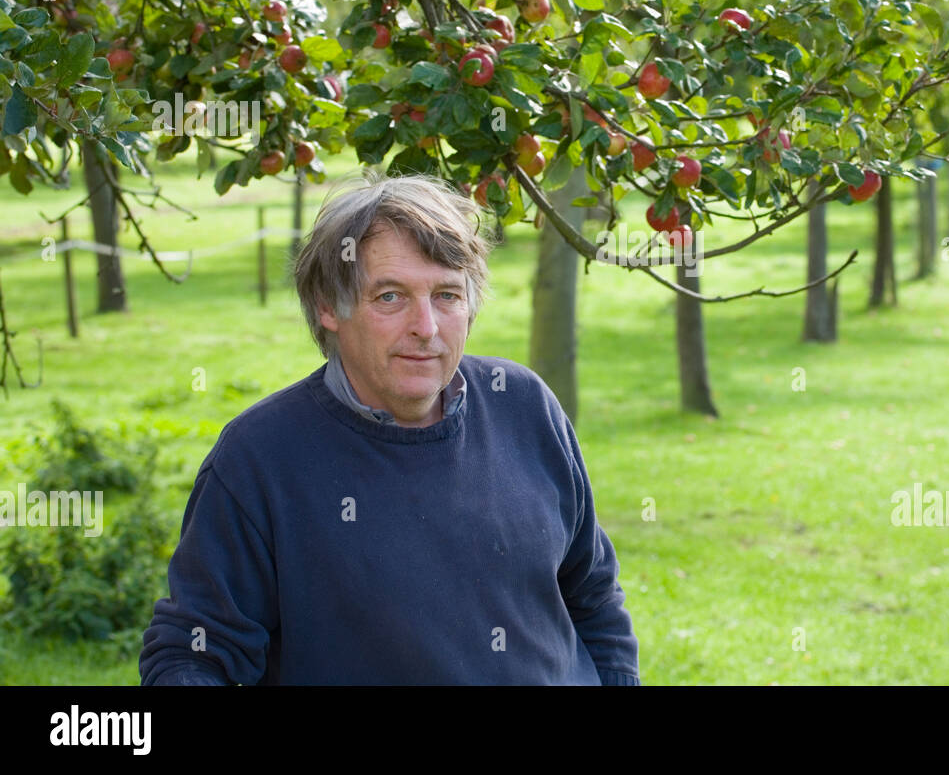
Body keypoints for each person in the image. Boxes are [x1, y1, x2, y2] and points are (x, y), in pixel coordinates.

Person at [139, 170, 640, 685]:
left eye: (446, 296)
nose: (425, 328)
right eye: (390, 297)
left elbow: (594, 597)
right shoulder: (260, 458)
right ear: (328, 306)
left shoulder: (526, 405)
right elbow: (193, 654)